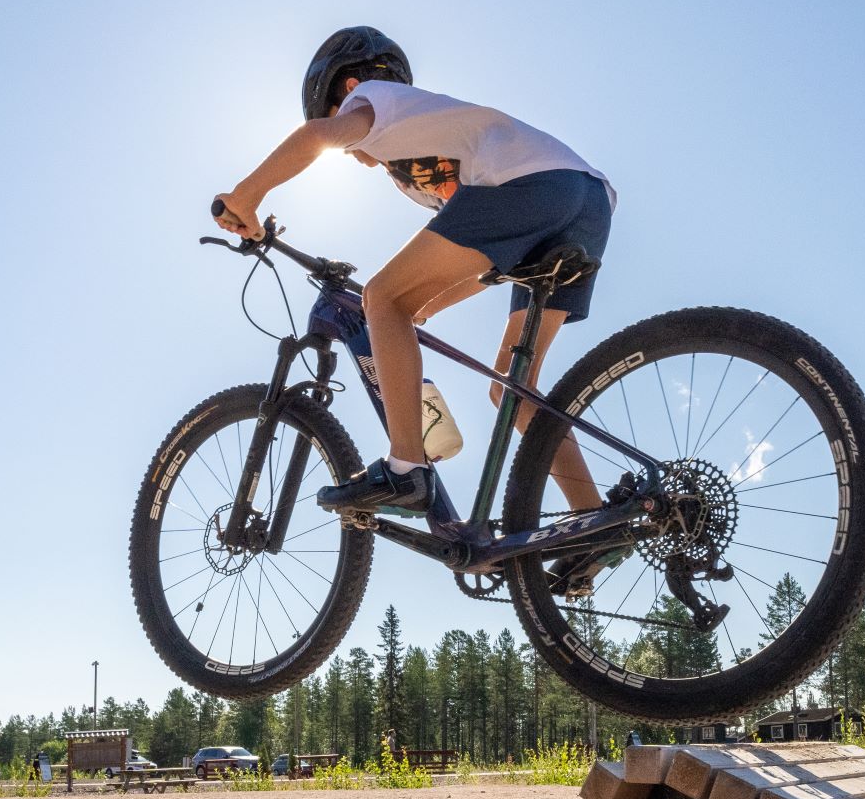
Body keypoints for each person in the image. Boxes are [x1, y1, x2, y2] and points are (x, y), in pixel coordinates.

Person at [212, 27, 615, 533]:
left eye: (332, 110)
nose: (351, 150)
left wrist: (246, 197)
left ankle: (406, 468)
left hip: (533, 186)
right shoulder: (423, 154)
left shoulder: (375, 98)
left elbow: (316, 138)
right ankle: (593, 523)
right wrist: (420, 307)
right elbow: (486, 261)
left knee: (381, 296)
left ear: (349, 86)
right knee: (513, 388)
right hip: (586, 202)